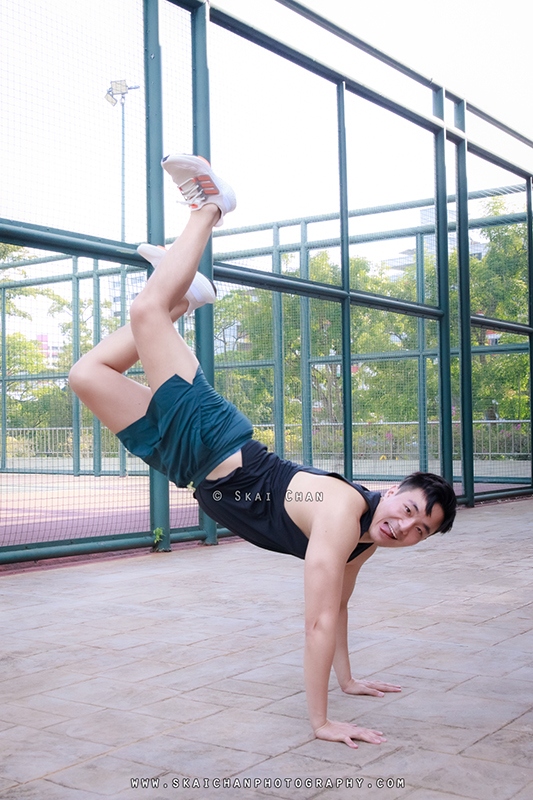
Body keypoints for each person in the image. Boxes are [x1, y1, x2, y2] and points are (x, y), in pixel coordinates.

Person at [69, 154, 457, 749]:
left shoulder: (364, 538)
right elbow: (317, 620)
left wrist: (350, 680)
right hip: (216, 441)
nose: (403, 526)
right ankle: (211, 207)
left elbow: (342, 607)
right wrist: (322, 721)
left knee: (87, 375)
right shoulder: (340, 513)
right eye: (408, 509)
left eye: (418, 530)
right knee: (144, 311)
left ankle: (186, 297)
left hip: (187, 466)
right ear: (395, 490)